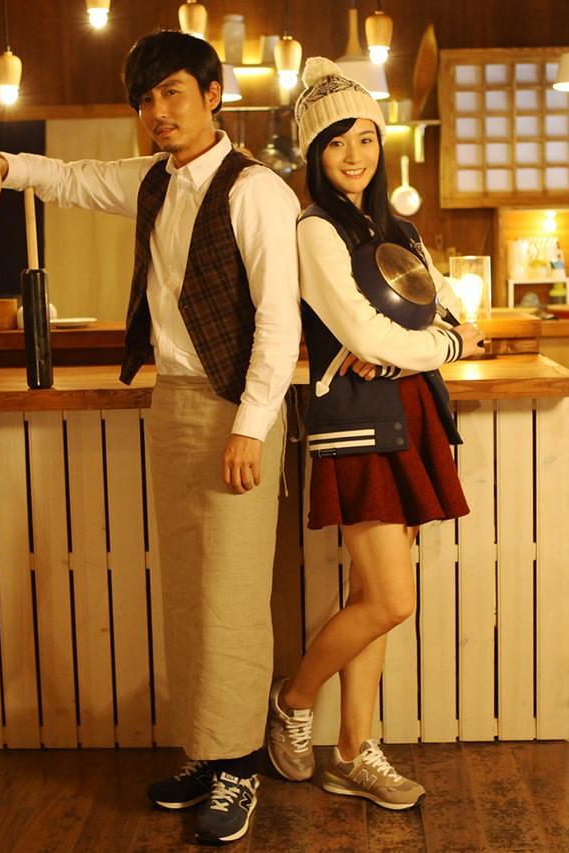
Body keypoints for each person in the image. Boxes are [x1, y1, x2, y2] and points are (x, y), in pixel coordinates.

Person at [0, 31, 301, 845]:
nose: (157, 112)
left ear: (213, 95)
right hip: (174, 400)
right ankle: (205, 751)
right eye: (146, 100)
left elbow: (280, 321)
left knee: (230, 594)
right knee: (187, 591)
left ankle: (239, 767)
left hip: (236, 407)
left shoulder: (256, 189)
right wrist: (4, 162)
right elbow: (74, 179)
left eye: (172, 93)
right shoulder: (154, 179)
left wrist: (250, 425)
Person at [266, 57, 484, 810]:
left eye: (364, 137)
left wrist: (424, 344)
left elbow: (456, 312)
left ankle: (353, 752)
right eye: (335, 142)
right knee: (391, 601)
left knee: (371, 594)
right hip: (356, 424)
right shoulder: (314, 229)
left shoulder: (400, 229)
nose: (353, 155)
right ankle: (294, 700)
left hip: (411, 414)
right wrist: (432, 343)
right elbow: (364, 332)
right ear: (314, 153)